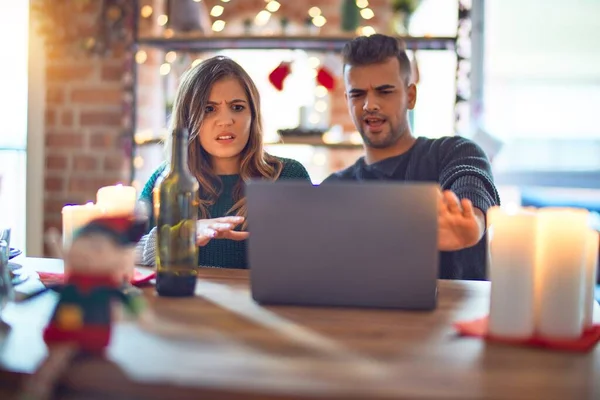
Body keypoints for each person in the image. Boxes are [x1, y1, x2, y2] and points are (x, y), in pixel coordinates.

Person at [322, 34, 501, 280]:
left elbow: (471, 186)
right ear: (347, 100)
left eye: (384, 91)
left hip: (452, 318)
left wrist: (472, 223)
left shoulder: (454, 152)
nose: (369, 105)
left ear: (411, 96)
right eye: (358, 94)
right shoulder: (334, 188)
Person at [137, 56, 311, 268]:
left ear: (253, 115)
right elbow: (124, 255)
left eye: (237, 107)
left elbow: (315, 260)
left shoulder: (288, 176)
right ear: (188, 119)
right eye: (209, 109)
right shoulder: (166, 180)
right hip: (182, 301)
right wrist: (184, 234)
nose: (226, 120)